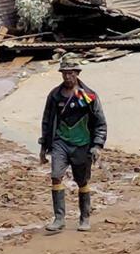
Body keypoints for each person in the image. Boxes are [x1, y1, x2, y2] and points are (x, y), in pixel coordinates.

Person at [39, 54, 107, 233]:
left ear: (77, 73)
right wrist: (43, 147)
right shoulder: (54, 96)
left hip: (82, 144)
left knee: (82, 181)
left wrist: (97, 145)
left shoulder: (88, 97)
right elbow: (47, 122)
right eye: (65, 73)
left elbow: (100, 123)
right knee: (56, 176)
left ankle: (84, 218)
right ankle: (59, 218)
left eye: (71, 73)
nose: (68, 77)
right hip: (60, 142)